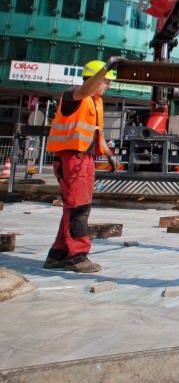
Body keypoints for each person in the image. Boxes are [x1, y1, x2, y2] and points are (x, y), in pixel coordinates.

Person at [44, 59, 121, 273]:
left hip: (85, 160)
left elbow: (98, 136)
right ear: (95, 79)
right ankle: (78, 256)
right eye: (106, 81)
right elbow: (84, 89)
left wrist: (109, 155)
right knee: (78, 208)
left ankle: (58, 254)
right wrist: (107, 66)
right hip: (70, 159)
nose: (109, 86)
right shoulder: (73, 95)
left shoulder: (96, 103)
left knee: (74, 208)